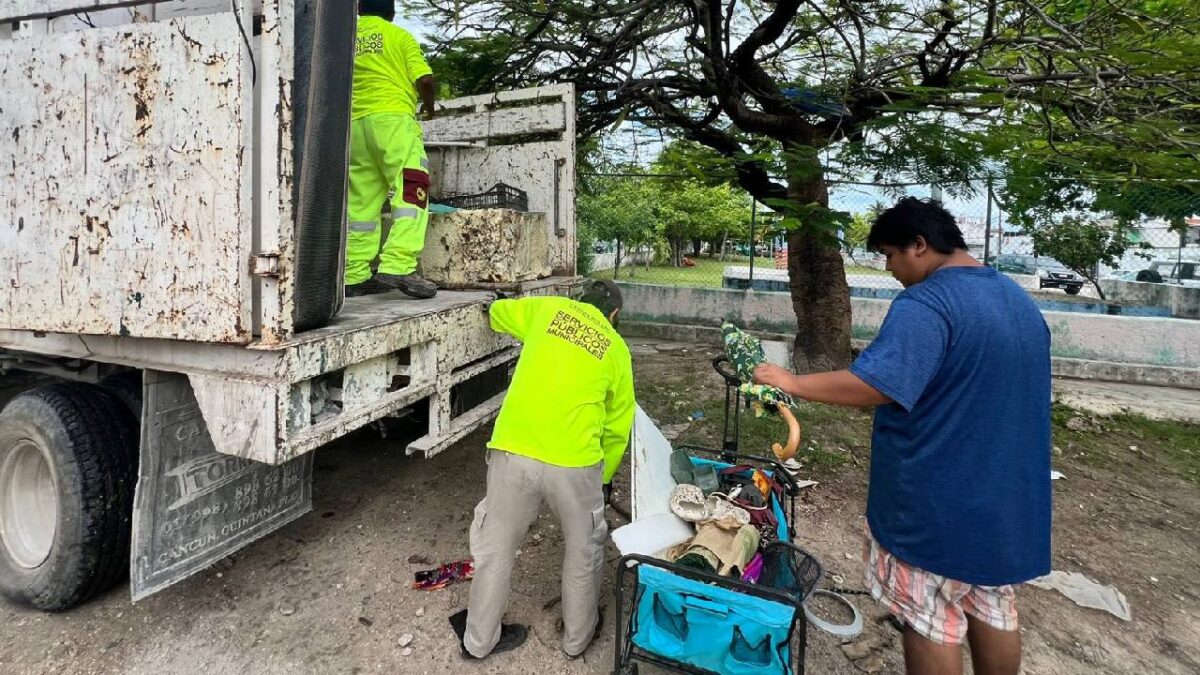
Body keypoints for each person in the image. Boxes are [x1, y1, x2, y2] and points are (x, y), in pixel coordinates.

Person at [754, 198, 1051, 675]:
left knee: (929, 619)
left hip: (935, 503)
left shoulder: (927, 303)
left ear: (920, 244)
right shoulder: (1016, 300)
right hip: (1005, 501)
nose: (890, 269)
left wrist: (791, 383)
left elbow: (876, 384)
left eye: (891, 255)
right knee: (991, 606)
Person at [449, 280, 636, 661]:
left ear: (578, 300)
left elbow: (498, 315)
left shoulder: (547, 310)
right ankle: (577, 640)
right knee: (583, 549)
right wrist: (603, 479)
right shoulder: (617, 349)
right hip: (575, 463)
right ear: (613, 315)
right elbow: (618, 427)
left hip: (513, 450)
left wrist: (498, 304)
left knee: (495, 546)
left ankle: (479, 641)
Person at [345, 0, 439, 299]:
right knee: (412, 188)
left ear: (359, 9)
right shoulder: (399, 36)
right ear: (392, 13)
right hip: (394, 122)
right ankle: (399, 264)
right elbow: (424, 78)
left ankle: (353, 274)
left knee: (361, 201)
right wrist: (428, 105)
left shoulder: (346, 37)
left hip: (355, 126)